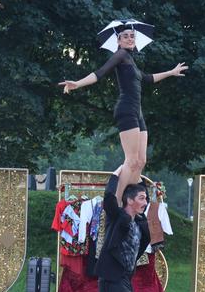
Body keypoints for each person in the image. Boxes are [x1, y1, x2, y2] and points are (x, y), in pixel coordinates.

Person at [59, 25, 188, 205]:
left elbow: (148, 78)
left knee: (141, 161)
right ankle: (117, 202)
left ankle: (131, 199)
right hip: (126, 109)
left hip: (138, 113)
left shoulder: (131, 62)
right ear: (118, 41)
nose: (129, 39)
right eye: (125, 36)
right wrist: (77, 84)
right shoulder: (120, 55)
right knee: (131, 159)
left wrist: (171, 72)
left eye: (132, 36)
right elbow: (100, 73)